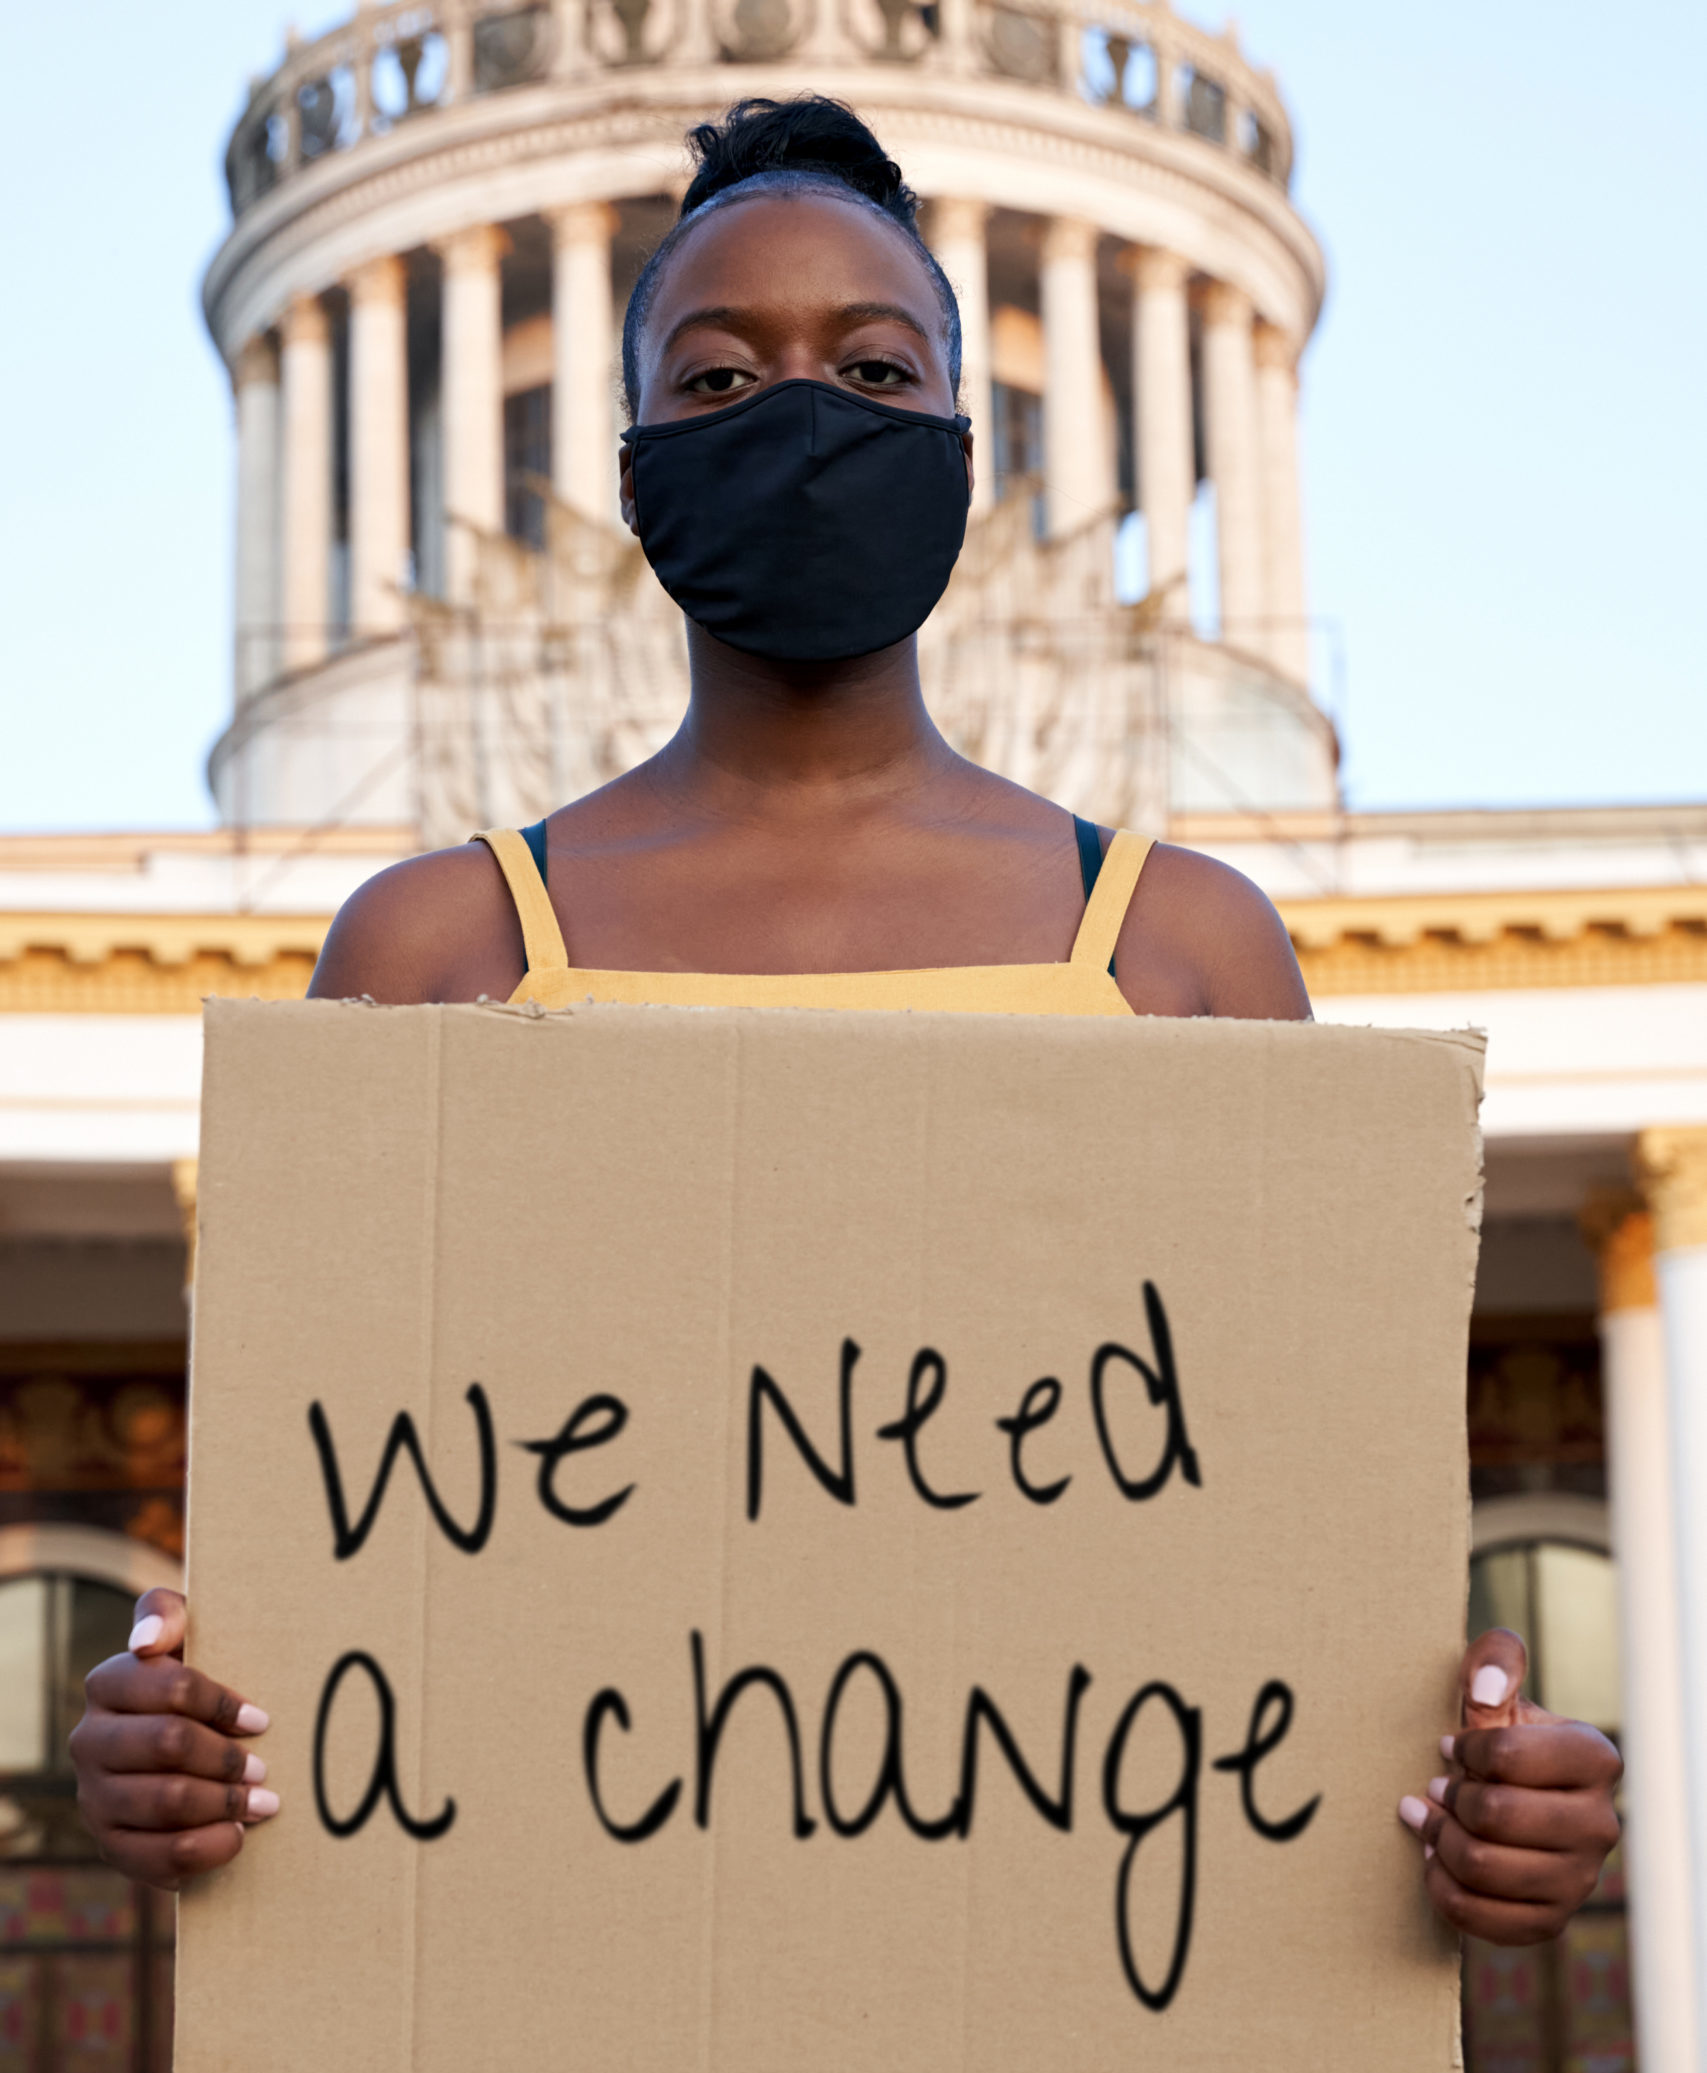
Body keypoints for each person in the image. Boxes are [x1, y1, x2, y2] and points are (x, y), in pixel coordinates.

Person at [72, 95, 1619, 1950]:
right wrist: (175, 1748)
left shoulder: (1188, 950)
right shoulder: (429, 948)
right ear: (627, 456)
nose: (804, 420)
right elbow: (325, 1647)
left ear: (968, 440)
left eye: (874, 367)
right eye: (720, 380)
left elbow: (1291, 1622)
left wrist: (1485, 1789)